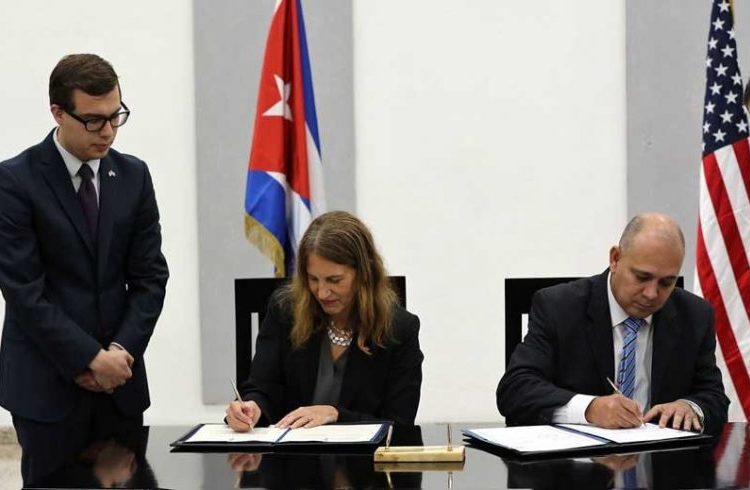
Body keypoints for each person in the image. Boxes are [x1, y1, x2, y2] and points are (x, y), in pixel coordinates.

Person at [0, 54, 169, 484]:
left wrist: (121, 353)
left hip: (122, 387)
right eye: (93, 121)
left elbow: (150, 277)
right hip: (47, 388)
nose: (108, 131)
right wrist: (89, 358)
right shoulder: (15, 181)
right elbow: (24, 291)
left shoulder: (133, 176)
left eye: (116, 117)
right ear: (57, 112)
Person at [496, 213, 729, 435]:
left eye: (667, 283)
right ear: (615, 258)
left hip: (661, 464)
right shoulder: (558, 307)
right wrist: (590, 408)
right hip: (574, 467)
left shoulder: (695, 315)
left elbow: (714, 397)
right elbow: (515, 391)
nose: (651, 293)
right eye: (642, 277)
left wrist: (691, 406)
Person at [226, 211, 423, 430]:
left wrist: (335, 414)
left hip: (363, 462)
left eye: (334, 280)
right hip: (290, 459)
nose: (322, 292)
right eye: (313, 279)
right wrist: (253, 408)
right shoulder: (285, 312)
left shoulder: (400, 329)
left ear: (364, 274)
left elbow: (400, 423)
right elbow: (263, 387)